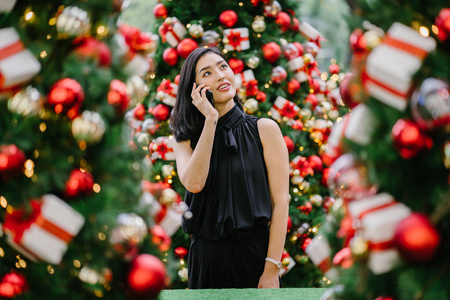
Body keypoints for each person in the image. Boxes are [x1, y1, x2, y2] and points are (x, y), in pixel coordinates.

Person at [170, 47, 289, 289]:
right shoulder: (184, 139)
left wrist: (271, 269)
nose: (220, 75)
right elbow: (194, 183)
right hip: (205, 262)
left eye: (223, 66)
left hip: (254, 259)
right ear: (194, 89)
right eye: (207, 73)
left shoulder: (265, 129)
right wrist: (211, 120)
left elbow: (281, 202)